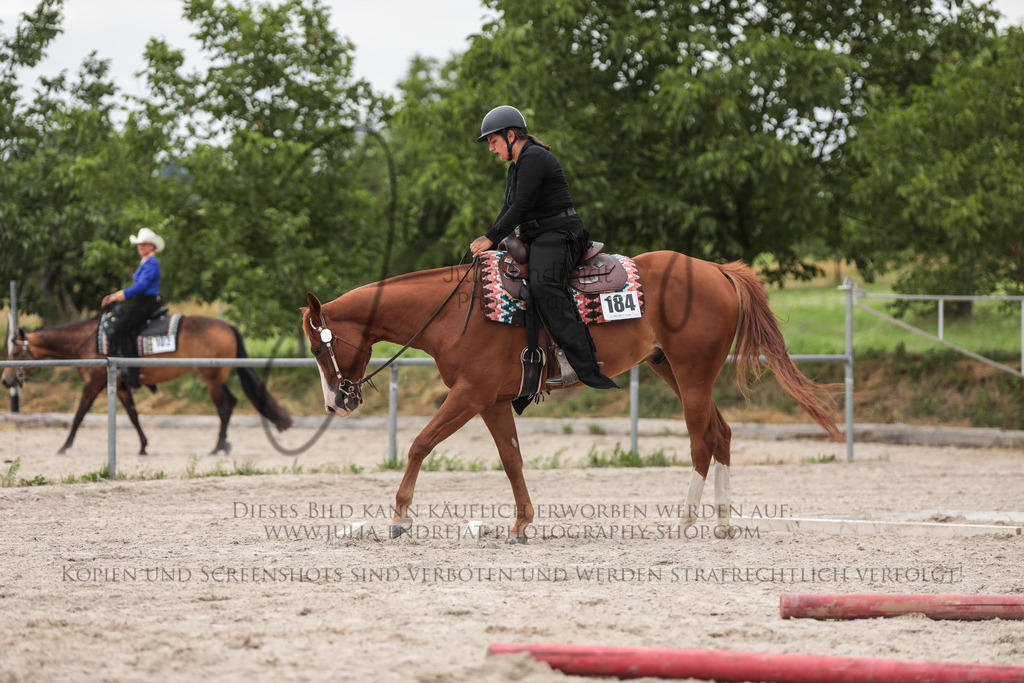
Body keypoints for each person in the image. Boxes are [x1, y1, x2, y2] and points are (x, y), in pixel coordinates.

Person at [469, 105, 617, 390]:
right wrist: (490, 240)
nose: (491, 149)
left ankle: (580, 363)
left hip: (560, 234)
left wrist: (490, 237)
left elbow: (522, 206)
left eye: (493, 141)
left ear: (510, 135)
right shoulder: (517, 166)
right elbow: (508, 208)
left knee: (544, 284)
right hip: (538, 236)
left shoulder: (534, 158)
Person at [101, 227, 165, 388]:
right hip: (141, 301)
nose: (141, 247)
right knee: (126, 328)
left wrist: (117, 295)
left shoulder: (151, 262)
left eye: (144, 244)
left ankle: (133, 372)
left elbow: (141, 286)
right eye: (139, 244)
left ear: (152, 246)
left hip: (145, 303)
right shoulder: (147, 261)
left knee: (118, 330)